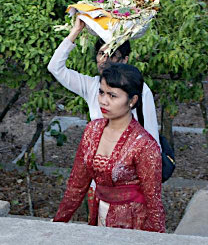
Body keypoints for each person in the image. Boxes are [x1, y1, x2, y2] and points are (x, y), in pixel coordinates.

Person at [53, 63, 165, 232]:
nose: (103, 101)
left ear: (132, 100)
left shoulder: (144, 145)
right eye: (101, 92)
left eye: (112, 96)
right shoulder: (92, 130)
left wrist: (156, 238)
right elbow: (77, 185)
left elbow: (153, 200)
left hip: (132, 225)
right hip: (98, 213)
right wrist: (58, 223)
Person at [47, 16, 160, 148]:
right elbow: (55, 67)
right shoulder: (91, 85)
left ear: (124, 60)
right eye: (101, 53)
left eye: (112, 55)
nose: (104, 60)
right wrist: (76, 30)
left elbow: (152, 138)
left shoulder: (139, 89)